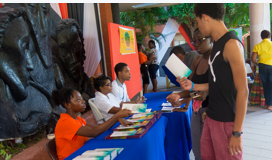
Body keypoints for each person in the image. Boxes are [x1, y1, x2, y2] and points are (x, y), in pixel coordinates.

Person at [178, 3, 248, 160]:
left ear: (205, 18)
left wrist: (236, 132)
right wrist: (193, 86)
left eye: (197, 21)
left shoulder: (232, 44)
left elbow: (243, 90)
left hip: (226, 122)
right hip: (211, 117)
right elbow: (217, 84)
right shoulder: (217, 44)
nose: (198, 26)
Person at [167, 28, 213, 160]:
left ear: (212, 39)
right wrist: (179, 96)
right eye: (194, 41)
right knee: (198, 152)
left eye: (200, 39)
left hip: (213, 114)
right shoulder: (196, 61)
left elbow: (204, 93)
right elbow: (192, 90)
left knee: (211, 153)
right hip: (197, 112)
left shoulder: (217, 61)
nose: (196, 44)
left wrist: (188, 95)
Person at [53, 87, 132, 160]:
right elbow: (94, 132)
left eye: (82, 98)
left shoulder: (77, 119)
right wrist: (116, 116)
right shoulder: (65, 122)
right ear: (68, 105)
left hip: (81, 154)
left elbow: (98, 128)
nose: (83, 101)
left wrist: (117, 118)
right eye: (78, 100)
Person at [251, 30, 272, 111]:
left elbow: (253, 59)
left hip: (262, 67)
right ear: (269, 36)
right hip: (271, 66)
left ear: (261, 37)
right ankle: (270, 105)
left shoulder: (257, 46)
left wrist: (257, 64)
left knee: (265, 87)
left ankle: (267, 104)